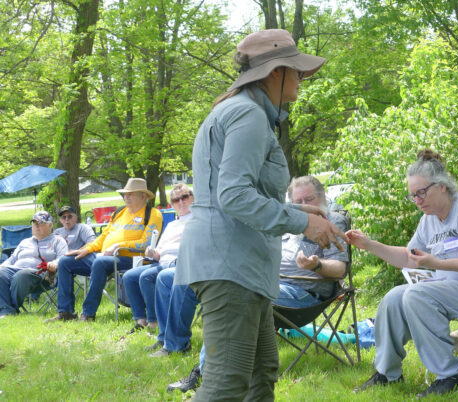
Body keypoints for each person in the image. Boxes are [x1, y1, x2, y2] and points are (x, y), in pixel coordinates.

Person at [174, 29, 347, 400]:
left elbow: (238, 193)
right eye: (296, 70)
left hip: (240, 264)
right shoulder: (247, 115)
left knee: (261, 373)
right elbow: (234, 195)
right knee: (226, 386)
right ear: (274, 72)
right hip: (229, 264)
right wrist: (303, 222)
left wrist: (299, 208)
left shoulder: (241, 110)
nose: (301, 78)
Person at [348, 149, 458, 397]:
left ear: (443, 186)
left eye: (422, 192)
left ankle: (453, 375)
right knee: (394, 297)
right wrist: (369, 244)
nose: (418, 200)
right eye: (413, 195)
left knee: (418, 294)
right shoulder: (429, 220)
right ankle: (388, 373)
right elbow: (409, 258)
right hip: (451, 291)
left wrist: (437, 263)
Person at [165, 175, 350, 391]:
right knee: (213, 283)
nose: (303, 207)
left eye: (308, 200)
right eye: (297, 202)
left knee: (235, 296)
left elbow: (340, 270)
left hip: (303, 293)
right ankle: (179, 346)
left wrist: (316, 265)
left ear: (322, 197)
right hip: (269, 281)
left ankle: (207, 375)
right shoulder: (290, 221)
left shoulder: (332, 220)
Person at [45, 178, 163, 322]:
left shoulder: (153, 214)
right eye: (125, 194)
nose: (126, 197)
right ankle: (65, 312)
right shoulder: (120, 213)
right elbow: (103, 236)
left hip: (130, 259)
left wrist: (118, 246)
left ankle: (88, 313)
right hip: (103, 256)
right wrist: (87, 249)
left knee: (100, 262)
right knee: (65, 261)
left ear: (143, 196)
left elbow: (146, 243)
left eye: (130, 194)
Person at [123, 183, 193, 333]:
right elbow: (159, 251)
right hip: (162, 262)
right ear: (172, 204)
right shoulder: (172, 225)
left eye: (184, 197)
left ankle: (154, 320)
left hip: (180, 263)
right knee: (129, 276)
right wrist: (152, 252)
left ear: (192, 198)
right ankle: (140, 320)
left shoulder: (196, 221)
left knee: (146, 276)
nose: (180, 202)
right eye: (176, 200)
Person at [0, 211, 68, 317]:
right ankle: (5, 310)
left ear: (50, 225)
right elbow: (12, 259)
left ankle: (8, 310)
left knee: (22, 275)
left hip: (40, 274)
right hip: (15, 268)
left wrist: (54, 263)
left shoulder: (58, 241)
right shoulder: (25, 242)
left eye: (40, 223)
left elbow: (63, 258)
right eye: (34, 223)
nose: (36, 226)